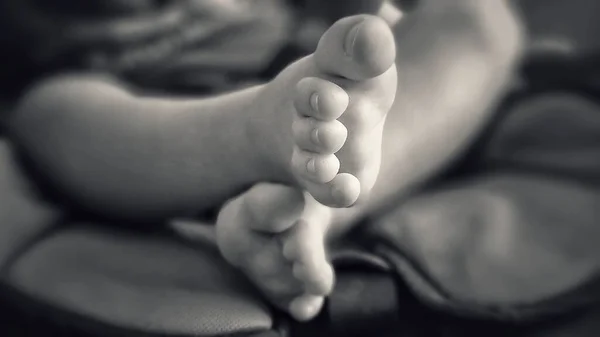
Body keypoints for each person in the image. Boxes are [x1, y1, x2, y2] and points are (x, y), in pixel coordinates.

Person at [2, 0, 523, 322]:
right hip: (124, 95)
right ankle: (260, 137)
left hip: (296, 65)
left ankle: (318, 204)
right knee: (54, 113)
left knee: (478, 18)